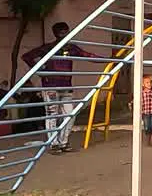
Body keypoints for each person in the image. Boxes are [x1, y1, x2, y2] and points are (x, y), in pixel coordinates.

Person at [22, 22, 98, 154]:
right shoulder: (48, 48)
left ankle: (63, 142)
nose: (64, 35)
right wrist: (41, 70)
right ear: (56, 34)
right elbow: (27, 56)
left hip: (66, 87)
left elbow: (88, 56)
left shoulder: (71, 48)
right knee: (52, 115)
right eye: (61, 32)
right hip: (51, 86)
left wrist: (110, 59)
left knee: (70, 115)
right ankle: (53, 144)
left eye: (66, 32)